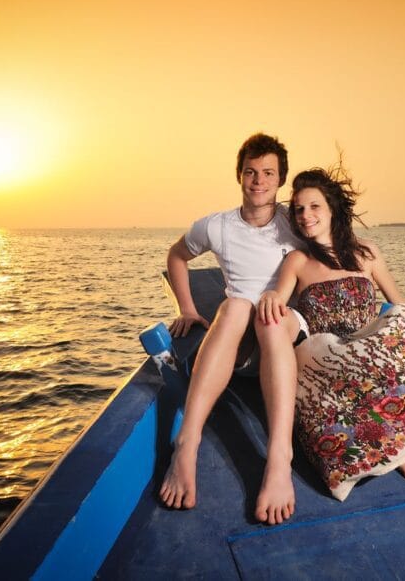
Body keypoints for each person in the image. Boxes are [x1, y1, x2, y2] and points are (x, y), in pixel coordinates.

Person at [257, 166, 405, 520]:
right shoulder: (298, 260)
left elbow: (401, 308)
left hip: (370, 348)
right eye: (298, 209)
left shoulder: (367, 253)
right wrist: (269, 297)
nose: (305, 216)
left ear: (332, 209)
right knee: (367, 358)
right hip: (329, 354)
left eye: (314, 207)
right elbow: (278, 300)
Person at [160, 132, 306, 525]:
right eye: (251, 172)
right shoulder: (217, 226)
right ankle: (187, 444)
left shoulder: (295, 223)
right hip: (239, 346)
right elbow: (176, 256)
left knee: (269, 315)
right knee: (238, 305)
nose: (259, 181)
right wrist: (187, 308)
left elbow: (336, 253)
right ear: (239, 176)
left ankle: (278, 459)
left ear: (281, 181)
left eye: (268, 174)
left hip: (284, 336)